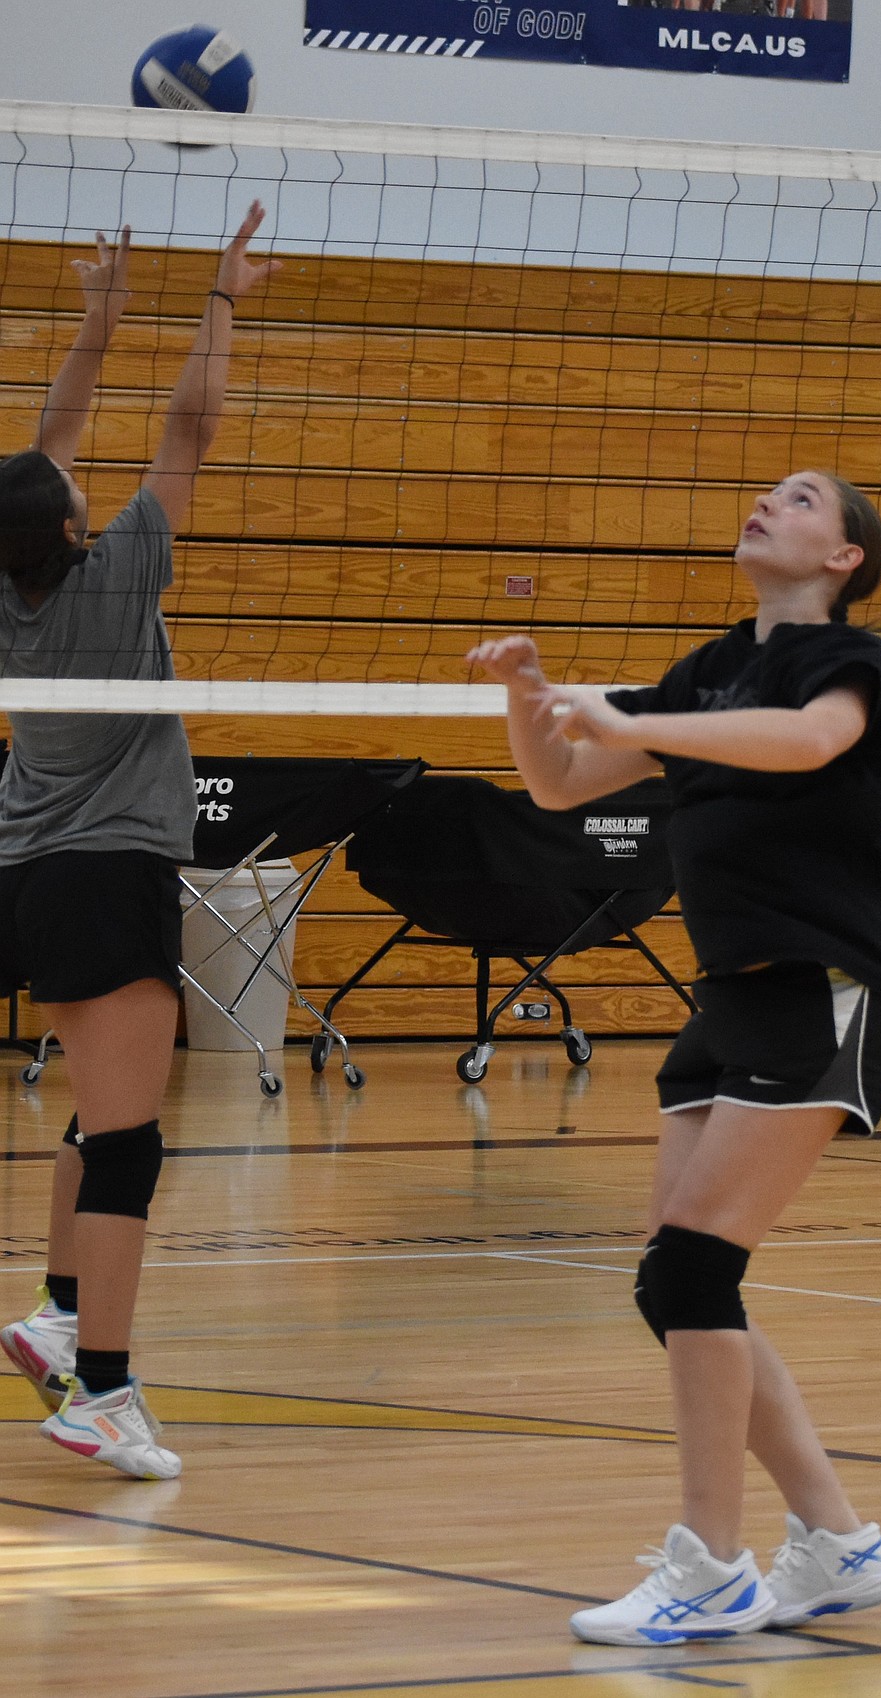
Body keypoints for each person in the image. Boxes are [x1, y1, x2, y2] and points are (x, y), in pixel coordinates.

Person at [468, 470, 881, 1645]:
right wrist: (531, 696)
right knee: (677, 1285)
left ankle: (712, 1565)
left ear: (845, 557)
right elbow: (558, 784)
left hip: (825, 985)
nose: (766, 502)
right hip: (731, 1001)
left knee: (693, 1275)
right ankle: (838, 1543)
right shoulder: (709, 670)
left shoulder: (846, 671)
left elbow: (809, 744)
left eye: (799, 500)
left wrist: (638, 722)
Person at [0, 206, 278, 1479]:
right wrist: (220, 300)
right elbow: (193, 430)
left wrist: (98, 327)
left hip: (29, 875)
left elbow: (48, 446)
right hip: (111, 873)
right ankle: (101, 1391)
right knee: (125, 1140)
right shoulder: (117, 577)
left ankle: (60, 1314)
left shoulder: (11, 582)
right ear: (71, 528)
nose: (74, 470)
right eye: (71, 489)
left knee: (93, 1112)